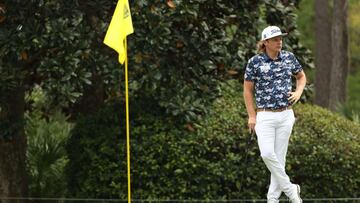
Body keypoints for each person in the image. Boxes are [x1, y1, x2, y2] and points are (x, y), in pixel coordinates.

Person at [243, 25, 306, 203]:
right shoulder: (255, 62)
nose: (280, 42)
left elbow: (301, 76)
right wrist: (251, 116)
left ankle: (273, 199)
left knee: (279, 158)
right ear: (266, 42)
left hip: (286, 115)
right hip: (264, 116)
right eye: (276, 39)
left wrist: (298, 92)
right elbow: (247, 91)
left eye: (280, 38)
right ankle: (291, 190)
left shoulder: (289, 57)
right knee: (267, 155)